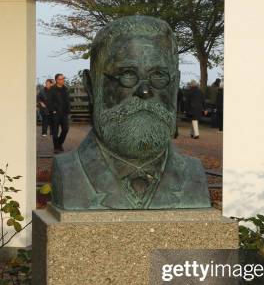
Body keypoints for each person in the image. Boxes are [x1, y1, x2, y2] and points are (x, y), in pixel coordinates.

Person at [51, 16, 211, 210]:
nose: (144, 92)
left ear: (175, 84)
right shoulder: (69, 171)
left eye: (158, 76)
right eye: (127, 74)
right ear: (92, 86)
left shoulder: (193, 174)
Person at [48, 73, 70, 153]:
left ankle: (59, 144)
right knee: (55, 132)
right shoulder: (52, 89)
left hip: (64, 114)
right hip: (55, 114)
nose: (63, 80)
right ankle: (56, 148)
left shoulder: (66, 89)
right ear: (57, 80)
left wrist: (68, 111)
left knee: (65, 129)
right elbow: (49, 101)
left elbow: (67, 101)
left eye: (63, 78)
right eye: (61, 79)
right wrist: (53, 110)